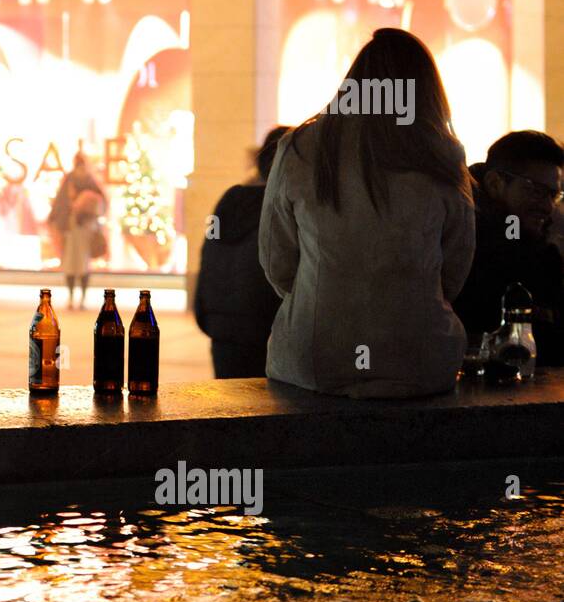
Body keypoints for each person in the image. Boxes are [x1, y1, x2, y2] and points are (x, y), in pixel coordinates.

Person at [260, 28, 475, 398]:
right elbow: (455, 268)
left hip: (312, 358)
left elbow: (275, 258)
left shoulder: (300, 149)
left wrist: (321, 297)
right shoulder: (442, 156)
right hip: (420, 360)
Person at [453, 130, 564, 365]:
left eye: (553, 195)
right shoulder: (463, 240)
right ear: (495, 183)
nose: (547, 206)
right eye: (535, 190)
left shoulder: (537, 248)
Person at [195, 126, 291, 378]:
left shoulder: (230, 199)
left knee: (231, 405)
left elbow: (209, 254)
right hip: (260, 326)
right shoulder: (280, 206)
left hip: (220, 323)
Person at [49, 152, 106, 310]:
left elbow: (60, 204)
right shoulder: (83, 179)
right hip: (78, 228)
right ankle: (78, 298)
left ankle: (76, 298)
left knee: (76, 264)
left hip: (78, 228)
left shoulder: (79, 180)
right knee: (78, 264)